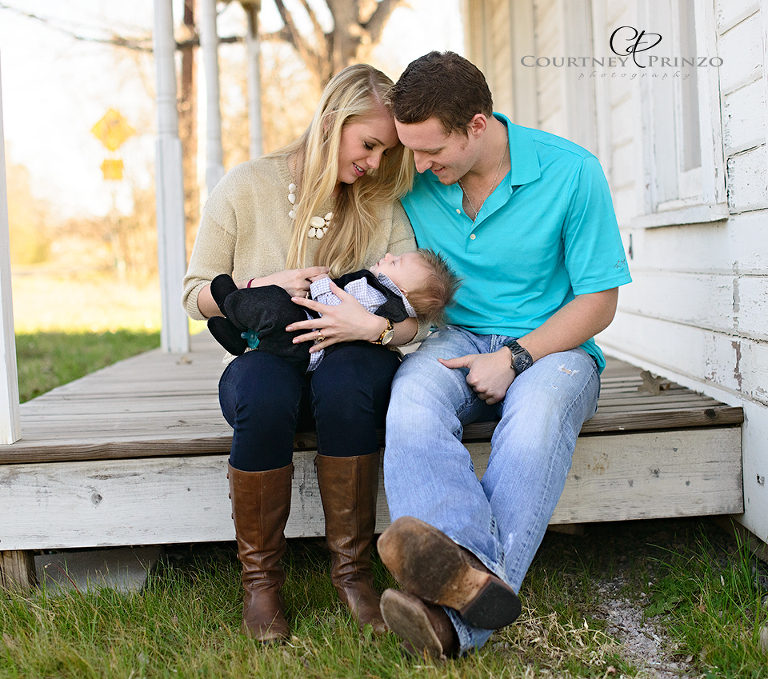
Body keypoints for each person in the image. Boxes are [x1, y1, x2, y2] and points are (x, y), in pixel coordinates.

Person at [376, 51, 633, 659]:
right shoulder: (412, 178)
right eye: (410, 149)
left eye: (431, 150)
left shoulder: (572, 172)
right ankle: (464, 590)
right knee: (410, 400)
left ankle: (453, 621)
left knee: (537, 418)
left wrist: (517, 357)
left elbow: (598, 301)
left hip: (555, 346)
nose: (417, 164)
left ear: (479, 125)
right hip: (452, 340)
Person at [182, 63, 429, 643]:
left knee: (350, 377)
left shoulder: (381, 206)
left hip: (348, 372)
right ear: (331, 119)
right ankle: (262, 584)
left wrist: (371, 327)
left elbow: (415, 318)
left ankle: (353, 574)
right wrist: (260, 288)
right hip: (269, 362)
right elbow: (194, 294)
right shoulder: (246, 186)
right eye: (368, 144)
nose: (372, 162)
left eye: (383, 151)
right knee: (260, 389)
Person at [205, 248, 459, 372]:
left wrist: (321, 283)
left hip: (307, 339)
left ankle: (231, 301)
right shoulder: (388, 304)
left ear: (401, 290)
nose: (389, 255)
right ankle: (237, 334)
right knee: (273, 314)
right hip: (306, 345)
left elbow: (335, 306)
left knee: (275, 303)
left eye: (395, 262)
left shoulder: (374, 294)